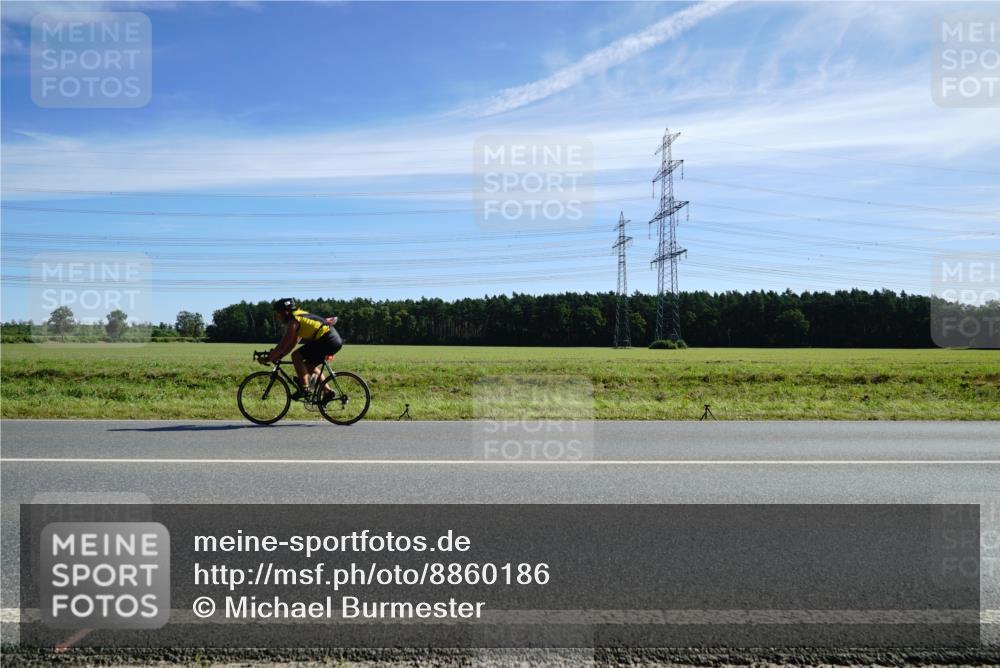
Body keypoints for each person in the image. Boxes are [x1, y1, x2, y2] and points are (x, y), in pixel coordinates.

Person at [264, 298, 343, 400]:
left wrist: (269, 358)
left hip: (327, 339)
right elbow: (292, 344)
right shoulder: (299, 317)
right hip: (332, 339)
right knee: (308, 365)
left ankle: (305, 389)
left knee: (296, 356)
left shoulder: (294, 321)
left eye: (278, 312)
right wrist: (280, 356)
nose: (277, 316)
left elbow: (283, 344)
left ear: (286, 312)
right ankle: (327, 392)